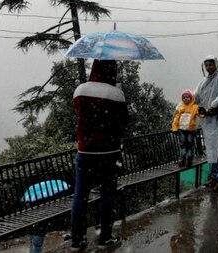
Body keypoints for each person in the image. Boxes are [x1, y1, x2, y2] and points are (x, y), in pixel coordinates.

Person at [71, 60, 128, 250]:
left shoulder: (80, 90)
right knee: (107, 194)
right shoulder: (116, 94)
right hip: (109, 153)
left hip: (85, 152)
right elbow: (123, 122)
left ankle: (78, 239)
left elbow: (79, 115)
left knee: (80, 195)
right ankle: (105, 236)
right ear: (111, 70)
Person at [194, 55, 218, 189]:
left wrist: (214, 105)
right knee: (211, 149)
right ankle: (214, 176)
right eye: (206, 65)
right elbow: (196, 96)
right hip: (208, 121)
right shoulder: (203, 82)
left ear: (215, 64)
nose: (209, 67)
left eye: (211, 64)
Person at [172, 89, 203, 167]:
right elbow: (176, 119)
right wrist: (175, 128)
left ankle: (189, 159)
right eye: (184, 97)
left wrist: (204, 112)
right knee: (183, 145)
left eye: (187, 97)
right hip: (182, 130)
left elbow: (200, 115)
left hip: (190, 131)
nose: (185, 99)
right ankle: (182, 159)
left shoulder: (194, 107)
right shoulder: (181, 108)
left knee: (190, 144)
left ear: (191, 98)